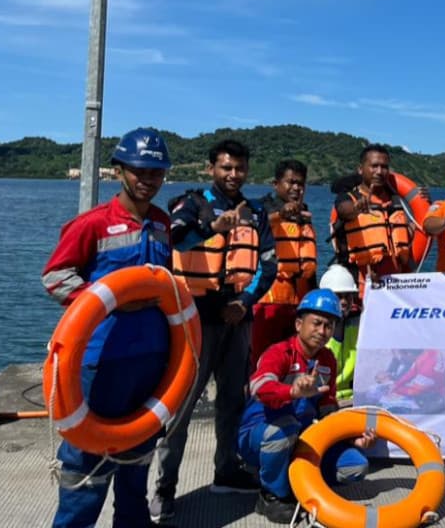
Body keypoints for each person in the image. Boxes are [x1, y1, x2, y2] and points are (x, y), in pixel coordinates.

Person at [40, 128, 174, 528]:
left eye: (156, 172)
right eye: (140, 171)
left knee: (139, 453)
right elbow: (55, 277)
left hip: (151, 358)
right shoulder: (93, 224)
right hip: (102, 361)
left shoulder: (162, 224)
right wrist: (106, 301)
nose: (148, 180)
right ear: (119, 171)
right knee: (87, 462)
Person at [151, 139, 277, 525]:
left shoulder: (256, 213)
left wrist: (245, 303)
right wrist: (212, 226)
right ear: (211, 169)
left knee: (231, 403)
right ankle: (163, 490)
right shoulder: (190, 204)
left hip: (238, 320)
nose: (233, 174)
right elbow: (173, 238)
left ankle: (226, 471)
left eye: (239, 168)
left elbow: (267, 266)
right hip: (195, 321)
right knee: (181, 409)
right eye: (226, 167)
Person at [238, 290, 376, 523]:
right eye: (317, 323)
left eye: (329, 326)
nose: (323, 332)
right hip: (261, 434)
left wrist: (351, 438)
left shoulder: (327, 361)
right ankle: (272, 494)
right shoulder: (279, 352)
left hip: (300, 436)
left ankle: (299, 480)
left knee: (355, 466)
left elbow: (327, 407)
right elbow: (259, 386)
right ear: (299, 323)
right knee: (284, 428)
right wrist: (291, 391)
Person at [252, 159, 317, 365]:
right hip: (268, 300)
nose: (296, 188)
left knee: (292, 360)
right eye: (291, 182)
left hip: (299, 302)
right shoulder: (263, 208)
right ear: (276, 184)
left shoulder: (304, 214)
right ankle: (254, 396)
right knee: (261, 359)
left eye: (301, 183)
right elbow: (251, 226)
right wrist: (281, 214)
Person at [334, 145, 420, 292]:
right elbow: (344, 211)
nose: (379, 171)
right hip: (361, 289)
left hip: (394, 290)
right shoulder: (348, 198)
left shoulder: (396, 203)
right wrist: (357, 208)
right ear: (361, 169)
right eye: (374, 166)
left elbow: (412, 231)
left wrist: (424, 200)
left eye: (384, 167)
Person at [321, 265, 362, 402]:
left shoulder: (358, 326)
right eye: (339, 296)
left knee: (372, 422)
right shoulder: (316, 332)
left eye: (347, 297)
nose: (344, 302)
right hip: (326, 399)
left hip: (354, 398)